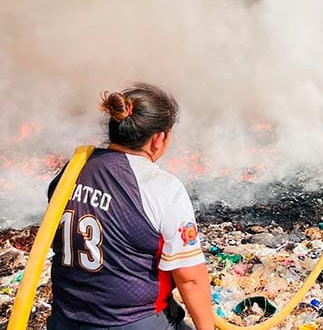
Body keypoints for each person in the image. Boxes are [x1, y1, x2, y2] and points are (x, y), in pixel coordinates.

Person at [46, 83, 214, 330]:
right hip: (132, 322)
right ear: (158, 138)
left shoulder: (72, 171)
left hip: (65, 320)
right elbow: (190, 279)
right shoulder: (161, 187)